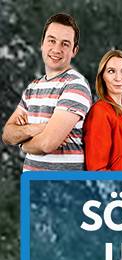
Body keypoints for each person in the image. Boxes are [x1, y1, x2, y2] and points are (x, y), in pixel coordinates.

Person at [2, 13, 90, 170]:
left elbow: (47, 144)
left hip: (63, 189)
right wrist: (36, 128)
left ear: (74, 51)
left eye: (65, 44)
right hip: (33, 188)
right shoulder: (33, 88)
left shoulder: (75, 85)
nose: (56, 49)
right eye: (52, 40)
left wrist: (22, 144)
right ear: (42, 43)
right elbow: (7, 135)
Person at [81, 48, 122, 170]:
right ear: (102, 77)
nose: (118, 78)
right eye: (111, 71)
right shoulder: (100, 112)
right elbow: (97, 170)